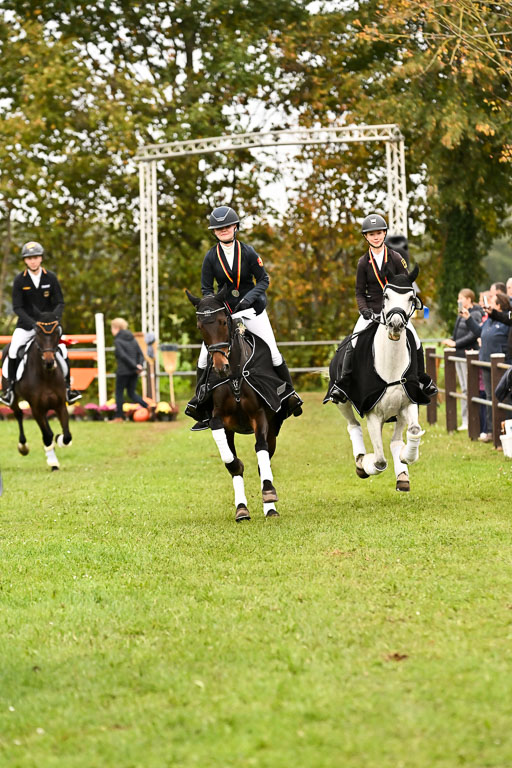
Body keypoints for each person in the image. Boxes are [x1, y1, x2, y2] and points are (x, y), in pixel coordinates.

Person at [187, 205, 302, 431]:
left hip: (251, 310)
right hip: (225, 314)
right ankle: (199, 401)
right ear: (214, 232)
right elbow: (206, 289)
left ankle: (289, 394)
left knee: (273, 352)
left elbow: (264, 280)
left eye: (227, 226)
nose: (223, 230)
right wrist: (214, 307)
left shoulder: (248, 252)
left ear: (235, 227)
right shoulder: (210, 256)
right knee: (203, 359)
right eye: (218, 228)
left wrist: (249, 299)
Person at [335, 213, 437, 398]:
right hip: (372, 310)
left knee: (415, 340)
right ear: (366, 237)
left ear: (384, 234)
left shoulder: (396, 258)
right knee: (354, 341)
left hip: (395, 310)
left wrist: (406, 308)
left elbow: (406, 284)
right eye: (371, 234)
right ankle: (344, 382)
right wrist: (364, 310)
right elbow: (359, 292)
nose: (376, 237)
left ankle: (422, 379)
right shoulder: (363, 263)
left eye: (379, 233)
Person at [0, 241, 82, 406]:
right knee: (13, 350)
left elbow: (59, 302)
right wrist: (33, 323)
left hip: (49, 327)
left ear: (41, 258)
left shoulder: (50, 277)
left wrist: (54, 319)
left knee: (63, 351)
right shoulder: (20, 280)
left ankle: (68, 389)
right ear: (25, 260)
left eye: (36, 257)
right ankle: (9, 390)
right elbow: (17, 307)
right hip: (26, 325)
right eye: (29, 258)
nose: (33, 261)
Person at [462, 291, 511, 442]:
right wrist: (469, 319)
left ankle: (503, 432)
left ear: (499, 305)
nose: (488, 304)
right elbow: (480, 331)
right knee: (490, 397)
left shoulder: (505, 321)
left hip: (501, 365)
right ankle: (492, 431)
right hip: (486, 363)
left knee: (503, 397)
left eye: (492, 302)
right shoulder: (490, 319)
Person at [442, 289, 483, 430]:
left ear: (469, 299)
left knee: (468, 389)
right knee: (463, 388)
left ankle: (470, 420)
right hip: (458, 355)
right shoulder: (461, 313)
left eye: (461, 298)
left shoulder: (475, 314)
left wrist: (456, 344)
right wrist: (451, 340)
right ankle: (465, 420)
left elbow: (473, 334)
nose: (458, 300)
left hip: (468, 355)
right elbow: (457, 332)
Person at [111, 318, 149, 421]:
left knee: (119, 393)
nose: (111, 331)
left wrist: (135, 366)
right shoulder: (132, 339)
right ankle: (148, 407)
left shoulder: (118, 340)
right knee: (131, 393)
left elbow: (123, 356)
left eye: (112, 328)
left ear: (117, 328)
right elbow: (140, 354)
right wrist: (138, 365)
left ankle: (119, 416)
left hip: (123, 371)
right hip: (134, 371)